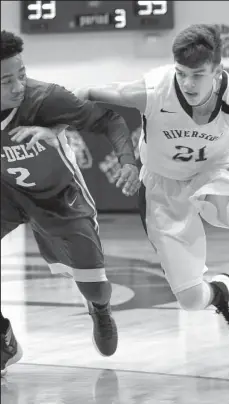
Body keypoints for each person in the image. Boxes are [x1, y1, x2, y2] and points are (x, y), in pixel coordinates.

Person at [74, 24, 229, 349]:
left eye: (197, 74)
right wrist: (63, 116)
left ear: (217, 72)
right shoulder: (153, 91)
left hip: (215, 173)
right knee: (190, 300)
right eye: (181, 73)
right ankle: (221, 294)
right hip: (161, 187)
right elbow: (91, 93)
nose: (188, 83)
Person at [1, 30, 140, 376]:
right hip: (7, 194)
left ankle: (100, 308)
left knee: (94, 283)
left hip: (60, 197)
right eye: (6, 80)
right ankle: (3, 338)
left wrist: (127, 161)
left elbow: (112, 121)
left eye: (21, 74)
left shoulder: (45, 99)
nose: (18, 85)